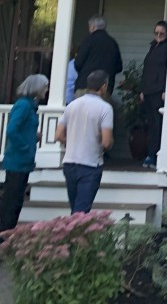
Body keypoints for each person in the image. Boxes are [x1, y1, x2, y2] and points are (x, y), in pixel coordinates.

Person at [55, 69, 114, 214]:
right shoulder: (105, 108)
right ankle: (75, 236)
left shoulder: (72, 105)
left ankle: (70, 235)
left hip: (69, 163)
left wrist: (74, 140)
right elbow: (106, 143)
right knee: (81, 213)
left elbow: (58, 135)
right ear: (104, 86)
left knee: (75, 208)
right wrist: (108, 142)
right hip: (90, 164)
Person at [0, 74, 47, 236]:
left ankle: (7, 235)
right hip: (17, 161)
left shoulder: (30, 106)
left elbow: (22, 129)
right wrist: (26, 147)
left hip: (24, 161)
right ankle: (3, 236)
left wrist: (33, 137)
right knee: (11, 202)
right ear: (36, 88)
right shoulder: (23, 105)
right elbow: (12, 130)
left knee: (17, 201)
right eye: (44, 87)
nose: (46, 90)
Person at [139, 20, 167, 169]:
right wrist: (142, 90)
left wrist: (165, 89)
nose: (158, 35)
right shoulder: (153, 47)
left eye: (161, 33)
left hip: (159, 91)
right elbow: (147, 71)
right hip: (148, 90)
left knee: (158, 124)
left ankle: (155, 155)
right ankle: (150, 154)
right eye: (156, 33)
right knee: (151, 124)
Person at [73, 15, 123, 95]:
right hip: (105, 88)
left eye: (89, 26)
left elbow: (78, 63)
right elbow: (119, 67)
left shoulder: (88, 40)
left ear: (93, 26)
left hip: (85, 86)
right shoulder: (112, 43)